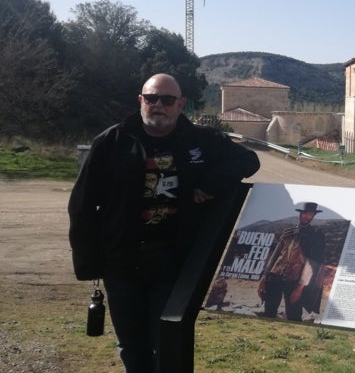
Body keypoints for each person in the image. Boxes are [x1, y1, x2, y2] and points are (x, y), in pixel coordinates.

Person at [68, 73, 260, 373]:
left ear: (181, 104)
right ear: (140, 101)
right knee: (131, 345)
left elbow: (248, 160)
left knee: (169, 341)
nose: (159, 105)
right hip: (121, 261)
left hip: (176, 262)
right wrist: (89, 263)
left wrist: (211, 182)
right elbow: (81, 205)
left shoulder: (202, 141)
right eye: (151, 98)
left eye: (167, 100)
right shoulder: (112, 142)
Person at [257, 202, 326, 321]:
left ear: (313, 216)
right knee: (269, 312)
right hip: (275, 277)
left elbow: (312, 263)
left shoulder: (315, 236)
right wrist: (264, 278)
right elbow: (274, 256)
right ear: (300, 214)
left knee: (294, 315)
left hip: (294, 281)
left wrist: (300, 287)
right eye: (304, 213)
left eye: (309, 214)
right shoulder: (287, 232)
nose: (306, 216)